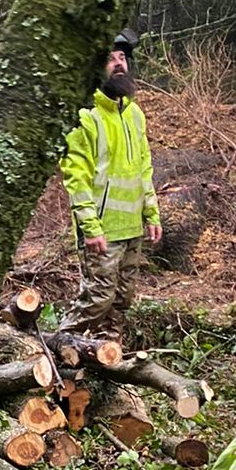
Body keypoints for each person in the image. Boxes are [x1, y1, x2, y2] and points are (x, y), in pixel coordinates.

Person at [58, 30, 161, 335]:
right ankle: (57, 345)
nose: (118, 63)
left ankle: (104, 360)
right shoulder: (84, 116)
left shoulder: (135, 114)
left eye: (122, 57)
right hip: (102, 230)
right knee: (97, 299)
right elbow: (75, 175)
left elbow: (144, 167)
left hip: (132, 228)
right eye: (109, 58)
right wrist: (89, 226)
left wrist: (151, 213)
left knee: (122, 301)